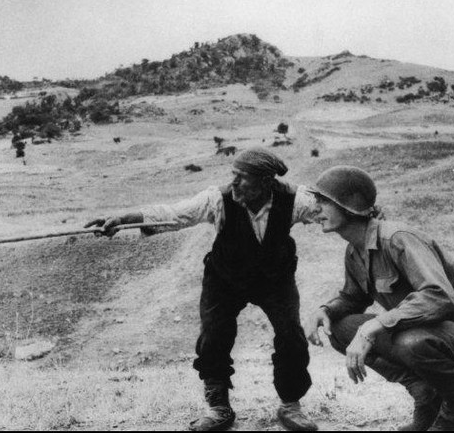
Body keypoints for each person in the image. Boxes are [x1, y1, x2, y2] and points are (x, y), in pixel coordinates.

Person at [86, 147, 319, 431]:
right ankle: (219, 407)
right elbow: (173, 214)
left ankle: (290, 405)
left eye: (242, 178)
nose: (233, 183)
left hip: (274, 279)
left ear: (266, 182)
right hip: (225, 278)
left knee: (291, 335)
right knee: (214, 335)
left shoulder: (295, 200)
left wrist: (363, 211)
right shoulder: (217, 200)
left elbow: (331, 208)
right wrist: (123, 220)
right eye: (233, 176)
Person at [306, 165, 454, 431]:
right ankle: (425, 393)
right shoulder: (354, 251)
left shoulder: (397, 238)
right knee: (340, 326)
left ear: (349, 206)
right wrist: (325, 310)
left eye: (323, 201)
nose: (315, 209)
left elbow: (440, 297)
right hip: (441, 339)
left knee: (409, 340)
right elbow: (352, 299)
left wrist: (374, 326)